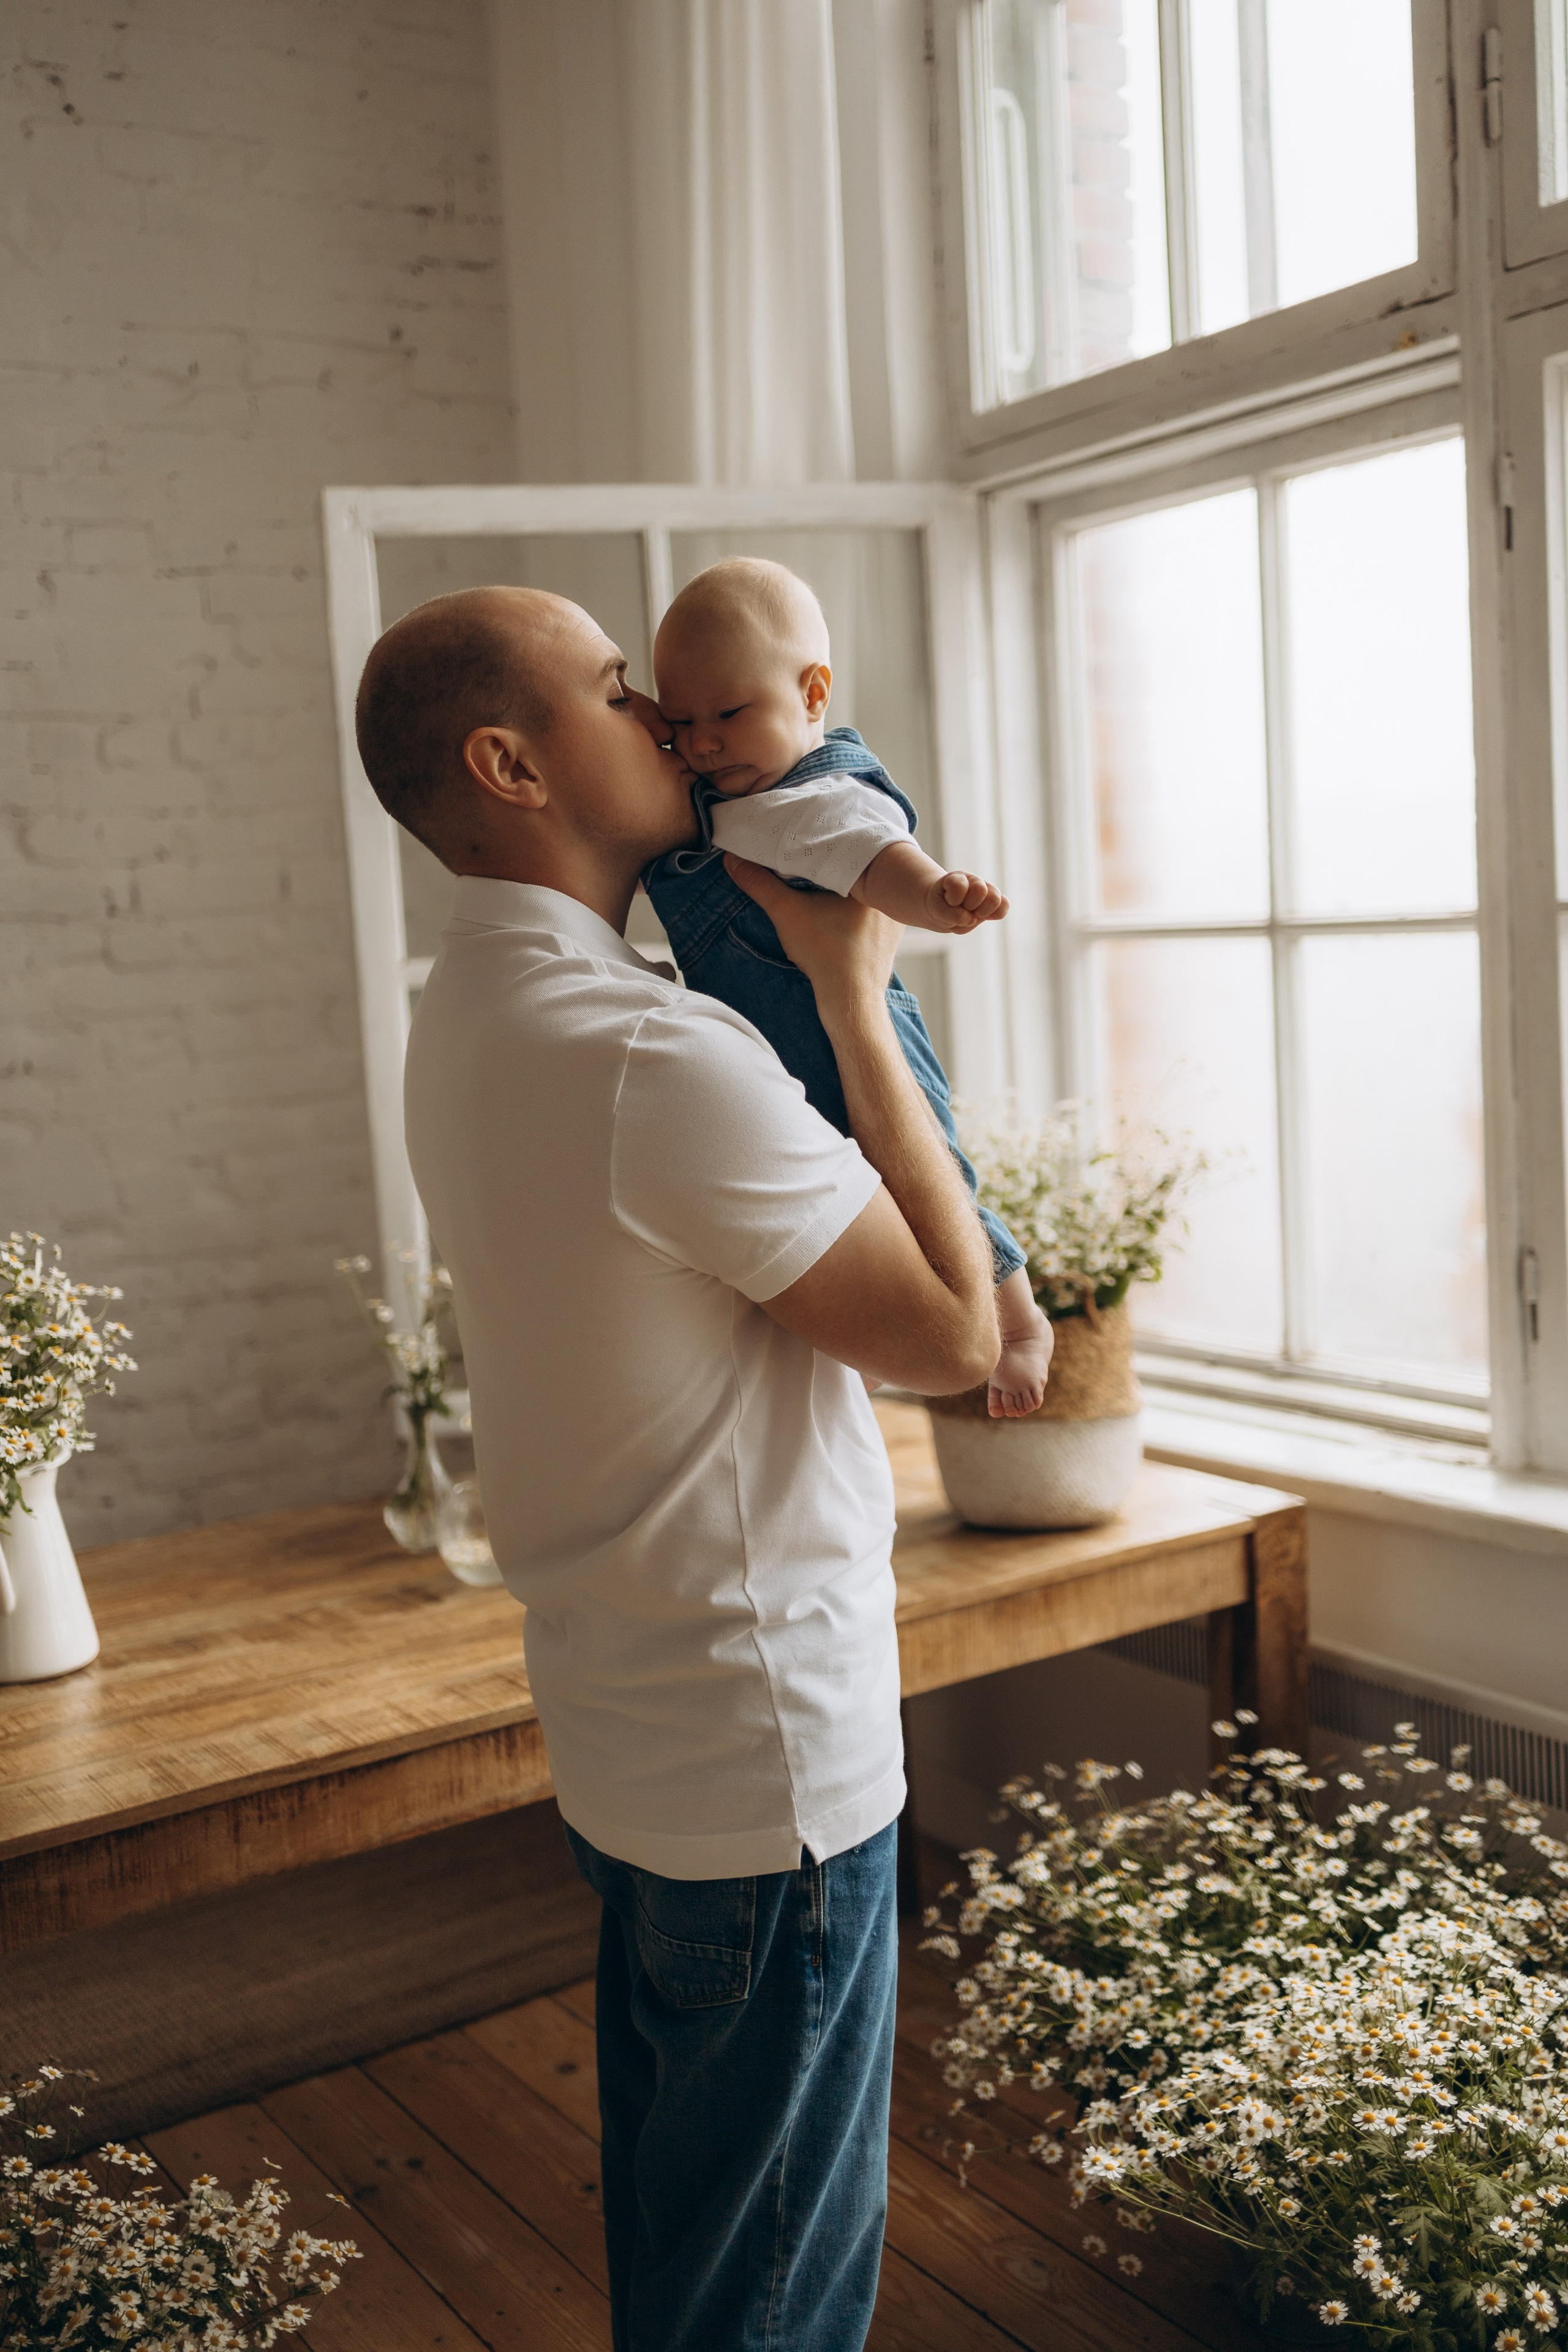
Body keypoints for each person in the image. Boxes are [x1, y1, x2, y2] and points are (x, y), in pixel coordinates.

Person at [353, 584, 1002, 2352]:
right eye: (615, 690)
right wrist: (856, 996)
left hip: (633, 1739)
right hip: (762, 1763)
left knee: (696, 2257)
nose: (663, 715)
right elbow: (957, 1340)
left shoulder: (473, 1014)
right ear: (509, 762)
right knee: (770, 2297)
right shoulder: (651, 1050)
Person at [645, 556, 1052, 1419]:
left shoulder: (811, 794)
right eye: (679, 721)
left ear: (814, 695)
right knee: (844, 1185)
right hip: (789, 1041)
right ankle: (875, 1337)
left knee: (928, 1166)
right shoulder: (723, 791)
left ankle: (1016, 1321)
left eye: (729, 713)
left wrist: (938, 899)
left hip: (851, 1029)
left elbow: (878, 859)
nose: (704, 741)